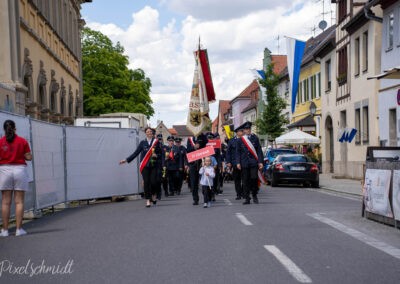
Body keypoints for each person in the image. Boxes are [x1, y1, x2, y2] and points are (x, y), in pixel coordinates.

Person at [0, 120, 32, 237]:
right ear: (15, 128)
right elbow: (29, 157)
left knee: (5, 202)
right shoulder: (23, 141)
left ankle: (5, 230)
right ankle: (19, 229)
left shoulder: (0, 142)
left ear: (4, 129)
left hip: (4, 170)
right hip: (19, 170)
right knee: (19, 202)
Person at [120, 127, 163, 207]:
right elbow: (136, 153)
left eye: (150, 131)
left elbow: (161, 154)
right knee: (146, 182)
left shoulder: (156, 142)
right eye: (147, 131)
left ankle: (154, 195)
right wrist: (126, 160)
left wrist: (156, 155)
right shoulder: (142, 143)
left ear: (152, 133)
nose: (149, 133)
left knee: (154, 182)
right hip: (144, 165)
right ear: (145, 133)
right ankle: (148, 200)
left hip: (153, 165)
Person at [235, 121, 263, 205]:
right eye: (246, 129)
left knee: (254, 179)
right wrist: (238, 162)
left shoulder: (255, 138)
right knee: (245, 181)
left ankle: (254, 195)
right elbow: (238, 152)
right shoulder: (240, 140)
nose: (248, 130)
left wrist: (260, 162)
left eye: (249, 129)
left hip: (254, 163)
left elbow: (259, 151)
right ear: (244, 130)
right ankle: (247, 198)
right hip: (244, 163)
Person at [185, 133, 207, 205]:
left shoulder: (202, 137)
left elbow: (206, 143)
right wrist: (194, 147)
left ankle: (206, 197)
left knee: (204, 181)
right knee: (194, 182)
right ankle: (195, 199)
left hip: (202, 162)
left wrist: (201, 135)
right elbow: (188, 150)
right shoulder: (190, 139)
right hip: (193, 163)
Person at [226, 125, 244, 200]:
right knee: (237, 179)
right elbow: (228, 152)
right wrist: (228, 162)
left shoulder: (245, 140)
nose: (242, 132)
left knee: (245, 178)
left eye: (242, 131)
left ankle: (243, 192)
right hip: (234, 162)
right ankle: (238, 194)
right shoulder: (232, 140)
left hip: (243, 162)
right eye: (241, 131)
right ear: (237, 132)